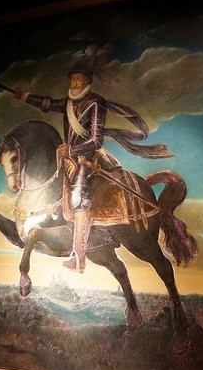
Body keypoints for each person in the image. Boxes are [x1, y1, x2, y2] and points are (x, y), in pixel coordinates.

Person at [12, 44, 173, 273]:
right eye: (73, 79)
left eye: (80, 80)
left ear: (87, 82)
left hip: (86, 158)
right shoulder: (68, 102)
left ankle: (79, 257)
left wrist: (72, 150)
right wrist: (25, 96)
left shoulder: (96, 103)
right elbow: (48, 103)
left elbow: (96, 141)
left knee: (79, 199)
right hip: (67, 158)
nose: (75, 83)